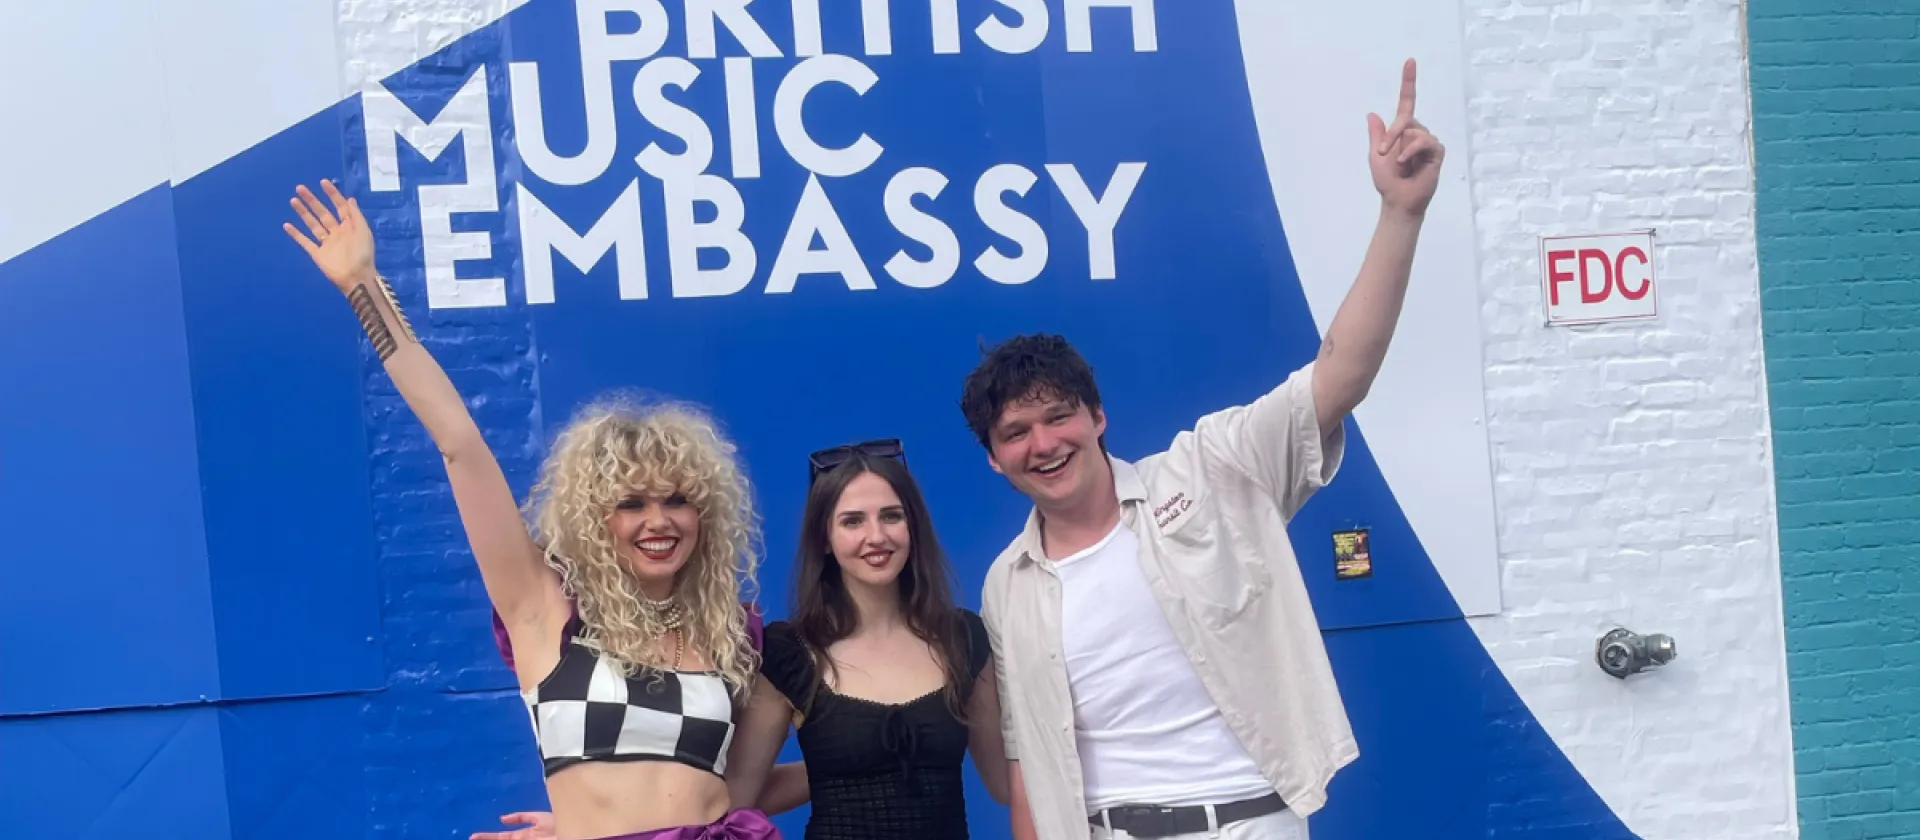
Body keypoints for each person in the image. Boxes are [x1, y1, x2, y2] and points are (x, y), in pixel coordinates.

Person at [962, 58, 1446, 840]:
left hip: (1249, 823)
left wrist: (1401, 214)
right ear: (993, 457)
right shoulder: (1005, 584)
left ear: (1098, 417)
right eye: (1015, 433)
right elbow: (1030, 761)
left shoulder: (1211, 469)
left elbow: (1339, 377)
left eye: (1058, 417)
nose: (1043, 444)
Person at [281, 181, 783, 840]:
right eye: (630, 504)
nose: (657, 521)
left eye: (677, 500)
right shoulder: (544, 611)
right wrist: (362, 286)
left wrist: (880, 759)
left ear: (705, 513)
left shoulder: (729, 635)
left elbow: (742, 792)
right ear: (595, 519)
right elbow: (459, 442)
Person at [476, 439, 1012, 840]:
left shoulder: (963, 639)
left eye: (891, 516)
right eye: (852, 521)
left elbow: (1007, 781)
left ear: (913, 526)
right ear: (825, 539)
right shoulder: (791, 654)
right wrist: (592, 826)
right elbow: (734, 792)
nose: (876, 535)